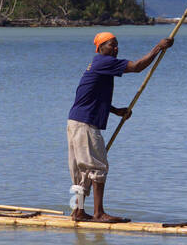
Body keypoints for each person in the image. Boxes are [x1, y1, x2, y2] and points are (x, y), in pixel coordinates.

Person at [66, 31, 173, 223]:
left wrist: (116, 111)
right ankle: (98, 214)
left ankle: (78, 212)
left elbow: (91, 98)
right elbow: (137, 67)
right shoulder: (103, 62)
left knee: (83, 170)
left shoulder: (98, 65)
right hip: (84, 124)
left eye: (117, 45)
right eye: (111, 45)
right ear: (100, 48)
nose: (115, 48)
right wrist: (159, 47)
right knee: (98, 166)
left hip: (77, 121)